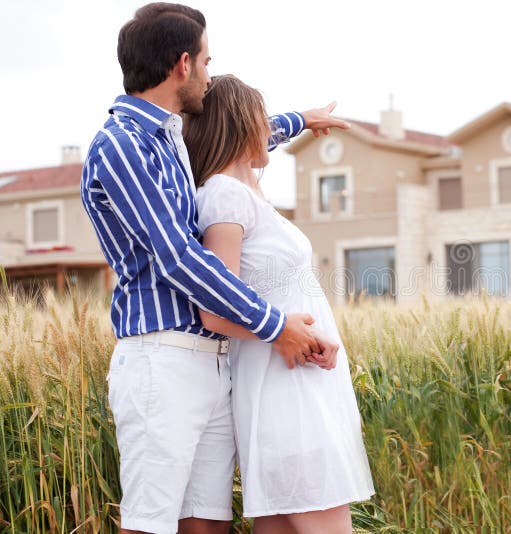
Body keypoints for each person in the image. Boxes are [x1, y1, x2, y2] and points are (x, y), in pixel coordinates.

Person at [80, 4, 348, 533]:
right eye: (206, 60)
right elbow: (177, 256)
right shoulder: (120, 145)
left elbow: (237, 142)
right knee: (150, 523)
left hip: (213, 361)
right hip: (163, 357)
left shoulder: (171, 138)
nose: (209, 71)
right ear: (183, 64)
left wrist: (300, 120)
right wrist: (276, 327)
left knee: (207, 525)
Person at [184, 74, 374, 534]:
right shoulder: (226, 194)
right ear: (241, 127)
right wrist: (288, 334)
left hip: (294, 381)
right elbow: (217, 307)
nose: (266, 131)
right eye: (258, 120)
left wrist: (305, 120)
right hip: (286, 392)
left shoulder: (243, 193)